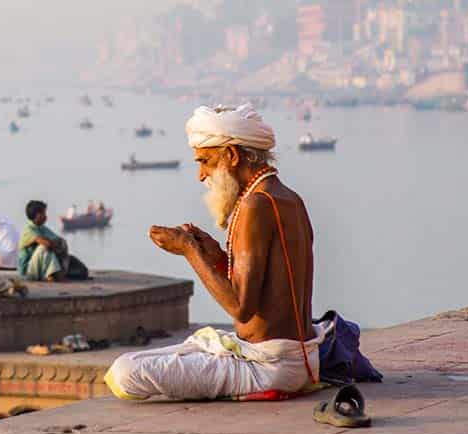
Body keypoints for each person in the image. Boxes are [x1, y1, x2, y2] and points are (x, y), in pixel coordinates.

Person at [105, 103, 325, 401]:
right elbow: (266, 290)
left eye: (205, 161)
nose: (200, 175)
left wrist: (190, 251)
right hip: (299, 357)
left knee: (126, 372)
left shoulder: (255, 205)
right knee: (152, 357)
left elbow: (242, 308)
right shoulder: (288, 197)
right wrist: (218, 256)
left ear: (232, 156)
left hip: (270, 365)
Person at [18, 200, 70, 281]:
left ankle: (55, 273)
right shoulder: (28, 229)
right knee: (44, 248)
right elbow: (46, 244)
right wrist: (52, 244)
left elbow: (59, 240)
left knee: (62, 244)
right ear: (36, 215)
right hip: (28, 272)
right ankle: (53, 274)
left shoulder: (42, 228)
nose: (46, 216)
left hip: (38, 267)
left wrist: (56, 244)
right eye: (43, 213)